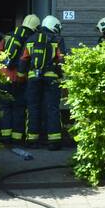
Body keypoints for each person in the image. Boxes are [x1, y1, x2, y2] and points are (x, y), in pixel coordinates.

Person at [20, 15, 67, 150]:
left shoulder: (31, 39)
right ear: (54, 27)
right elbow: (62, 60)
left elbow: (24, 59)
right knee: (52, 108)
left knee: (33, 108)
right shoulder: (57, 39)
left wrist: (21, 77)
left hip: (33, 79)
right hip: (51, 79)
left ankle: (32, 140)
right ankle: (54, 141)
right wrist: (62, 77)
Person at [0, 14, 40, 144]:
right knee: (19, 108)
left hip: (2, 77)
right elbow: (28, 59)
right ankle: (17, 139)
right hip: (20, 79)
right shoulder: (31, 39)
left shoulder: (9, 36)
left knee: (4, 107)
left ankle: (5, 137)